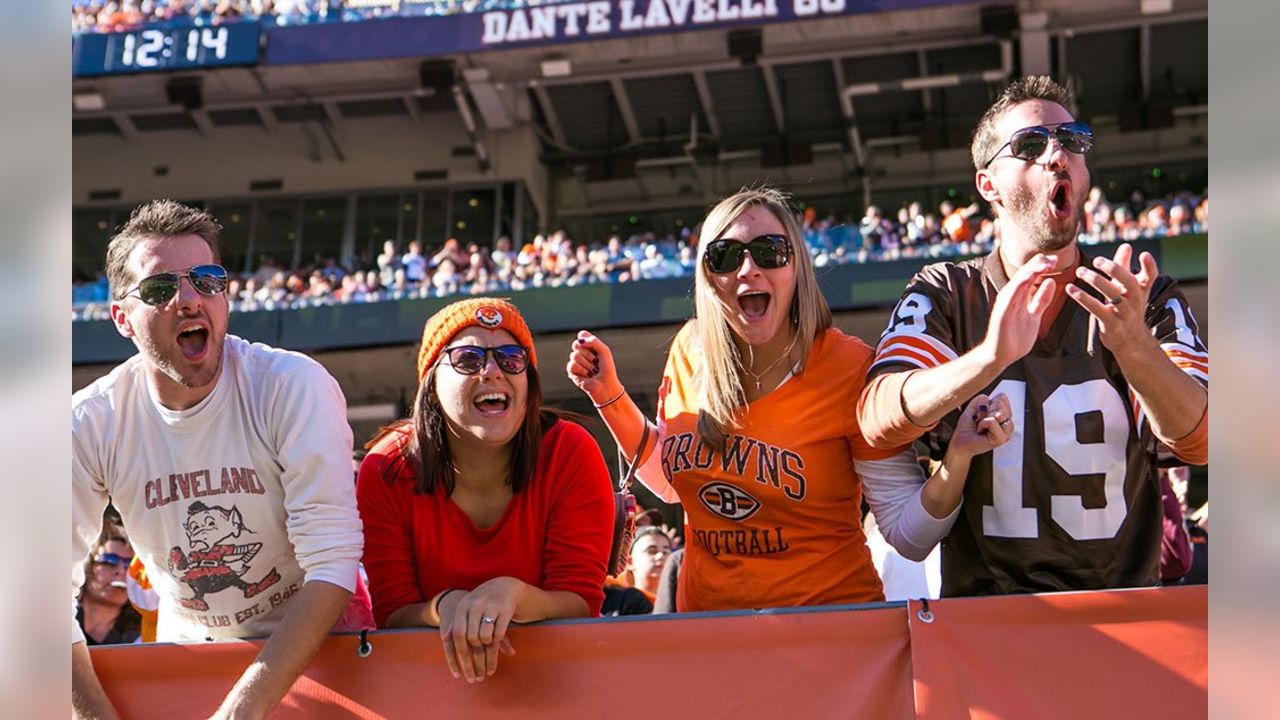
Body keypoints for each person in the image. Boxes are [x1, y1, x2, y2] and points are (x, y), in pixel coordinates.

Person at [566, 187, 1010, 612]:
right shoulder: (689, 349)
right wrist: (610, 397)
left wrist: (959, 456)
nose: (747, 269)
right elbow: (674, 483)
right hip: (711, 639)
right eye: (724, 256)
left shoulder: (848, 367)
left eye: (769, 252)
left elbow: (909, 535)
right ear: (706, 276)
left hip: (830, 640)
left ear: (796, 266)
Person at [856, 76, 1209, 596]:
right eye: (1030, 145)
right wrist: (988, 357)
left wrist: (1136, 349)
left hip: (1124, 617)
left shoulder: (1139, 296)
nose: (1056, 155)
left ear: (1084, 171)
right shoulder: (949, 293)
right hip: (987, 632)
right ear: (988, 186)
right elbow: (876, 418)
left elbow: (1201, 440)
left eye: (1071, 140)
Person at [72, 200, 365, 719]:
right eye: (161, 289)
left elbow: (333, 563)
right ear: (122, 318)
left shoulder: (291, 385)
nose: (189, 300)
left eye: (206, 280)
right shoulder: (90, 421)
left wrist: (239, 713)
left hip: (324, 649)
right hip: (194, 649)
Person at [357, 298, 614, 684]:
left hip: (558, 683)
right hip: (428, 688)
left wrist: (512, 594)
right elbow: (391, 613)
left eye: (512, 358)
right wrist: (447, 607)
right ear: (431, 383)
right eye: (467, 358)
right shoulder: (386, 467)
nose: (493, 371)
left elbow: (581, 602)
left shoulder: (570, 451)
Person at [77, 522, 143, 646]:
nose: (121, 571)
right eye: (109, 560)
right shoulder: (57, 620)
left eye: (129, 565)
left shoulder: (143, 633)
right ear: (86, 565)